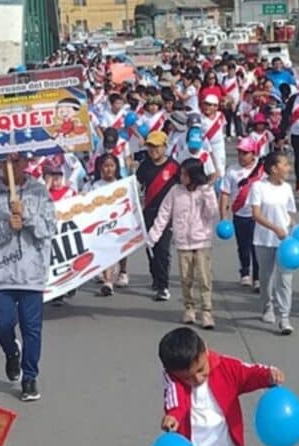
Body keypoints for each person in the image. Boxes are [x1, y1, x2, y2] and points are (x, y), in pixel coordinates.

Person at [159, 327, 285, 446]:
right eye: (187, 377)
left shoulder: (225, 367)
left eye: (201, 369)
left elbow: (248, 373)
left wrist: (269, 375)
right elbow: (176, 401)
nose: (197, 379)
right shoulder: (174, 382)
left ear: (205, 348)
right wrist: (173, 416)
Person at [0, 152, 56, 401]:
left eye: (16, 161)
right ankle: (12, 353)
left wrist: (27, 217)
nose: (11, 166)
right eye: (6, 162)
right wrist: (6, 226)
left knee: (32, 329)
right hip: (2, 273)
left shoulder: (39, 192)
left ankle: (29, 377)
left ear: (26, 163)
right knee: (3, 325)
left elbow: (50, 228)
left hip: (32, 272)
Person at [147, 160, 219, 329]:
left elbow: (212, 213)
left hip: (201, 240)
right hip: (182, 242)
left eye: (185, 174)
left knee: (204, 276)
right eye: (181, 173)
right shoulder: (175, 191)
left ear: (194, 176)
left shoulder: (204, 191)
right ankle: (189, 308)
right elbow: (164, 214)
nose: (181, 177)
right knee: (186, 277)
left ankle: (206, 311)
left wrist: (208, 193)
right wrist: (153, 236)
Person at [250, 152, 297, 334]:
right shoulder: (258, 187)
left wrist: (293, 227)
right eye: (285, 165)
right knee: (266, 277)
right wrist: (274, 228)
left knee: (285, 279)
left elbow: (290, 213)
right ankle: (267, 307)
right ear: (273, 168)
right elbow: (256, 214)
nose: (288, 168)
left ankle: (285, 317)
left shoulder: (287, 188)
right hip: (264, 239)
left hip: (285, 241)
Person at [135, 131, 179, 301]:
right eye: (150, 146)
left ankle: (163, 285)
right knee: (150, 248)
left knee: (162, 249)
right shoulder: (145, 165)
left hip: (167, 215)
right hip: (149, 212)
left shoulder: (174, 167)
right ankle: (155, 277)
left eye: (156, 146)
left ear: (165, 146)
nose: (153, 150)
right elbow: (136, 185)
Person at [222, 137, 264, 291]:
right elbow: (225, 194)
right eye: (240, 152)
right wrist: (223, 216)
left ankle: (258, 277)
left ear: (253, 154)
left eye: (245, 153)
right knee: (243, 246)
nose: (241, 156)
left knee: (256, 246)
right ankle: (245, 271)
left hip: (257, 215)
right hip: (239, 215)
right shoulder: (232, 171)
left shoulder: (262, 170)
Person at [87, 153, 129, 295]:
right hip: (103, 223)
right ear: (100, 168)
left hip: (120, 221)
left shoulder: (122, 183)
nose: (109, 169)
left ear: (116, 167)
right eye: (106, 166)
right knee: (105, 249)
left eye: (111, 166)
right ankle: (108, 281)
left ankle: (122, 272)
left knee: (121, 249)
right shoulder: (95, 186)